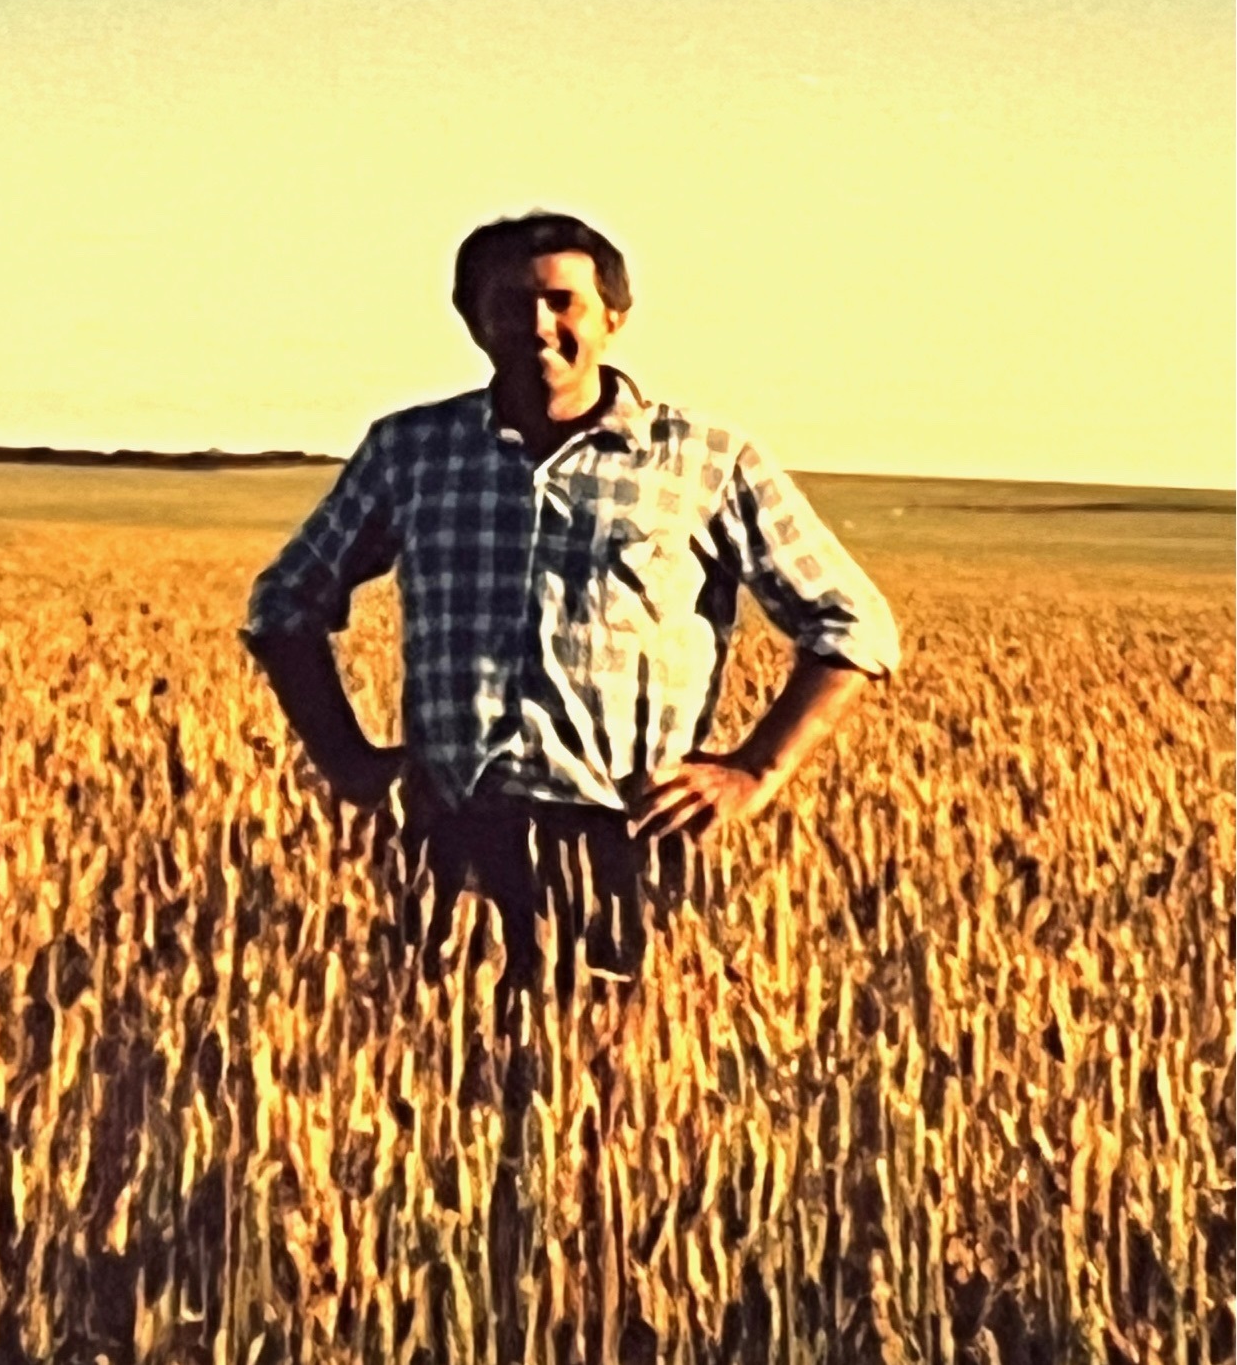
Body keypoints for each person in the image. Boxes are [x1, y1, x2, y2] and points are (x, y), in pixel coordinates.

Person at [241, 210, 900, 1027]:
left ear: (612, 316)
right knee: (436, 1082)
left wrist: (755, 769)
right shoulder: (411, 450)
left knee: (617, 1104)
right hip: (451, 838)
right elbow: (284, 602)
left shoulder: (703, 458)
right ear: (471, 318)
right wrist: (343, 758)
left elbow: (851, 624)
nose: (537, 326)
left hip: (630, 840)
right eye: (509, 304)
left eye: (562, 301)